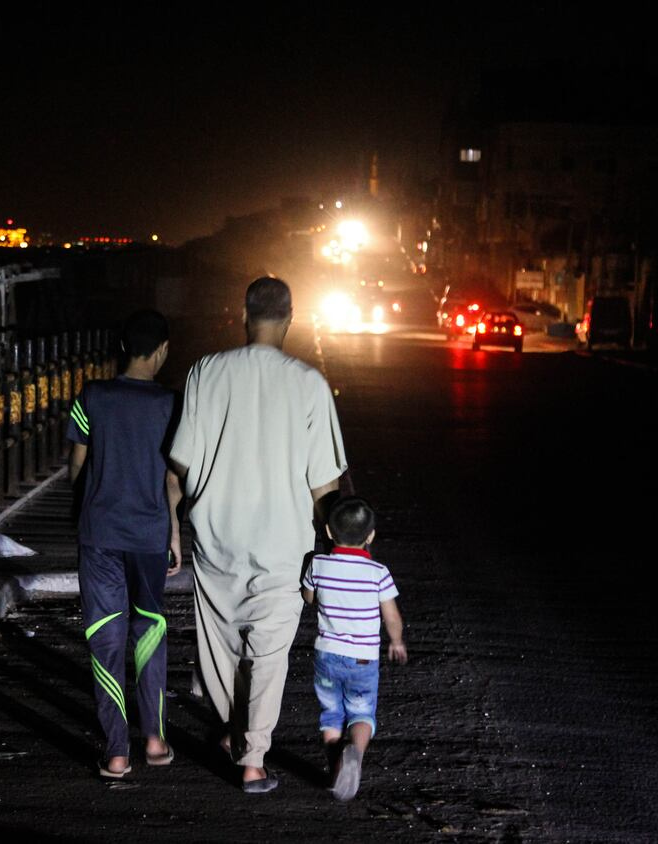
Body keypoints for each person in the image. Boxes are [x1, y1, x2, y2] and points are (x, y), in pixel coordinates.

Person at [168, 276, 348, 793]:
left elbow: (179, 464)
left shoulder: (205, 371)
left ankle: (234, 731)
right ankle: (252, 758)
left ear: (243, 315)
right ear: (291, 319)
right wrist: (336, 549)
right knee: (267, 653)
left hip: (215, 536)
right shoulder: (309, 383)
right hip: (283, 543)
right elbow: (324, 484)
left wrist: (173, 525)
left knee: (220, 644)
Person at [65, 309, 180, 778]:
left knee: (105, 636)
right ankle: (154, 739)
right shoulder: (172, 405)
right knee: (149, 630)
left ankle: (117, 750)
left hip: (100, 534)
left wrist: (85, 511)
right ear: (162, 350)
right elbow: (173, 478)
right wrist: (175, 532)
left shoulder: (91, 396)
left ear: (121, 347)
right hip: (150, 536)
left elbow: (76, 466)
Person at [300, 496, 407, 802]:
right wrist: (396, 641)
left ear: (328, 532)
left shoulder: (318, 564)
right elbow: (391, 616)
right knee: (361, 712)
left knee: (331, 713)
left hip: (327, 655)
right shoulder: (378, 572)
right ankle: (355, 753)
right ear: (370, 536)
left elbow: (309, 598)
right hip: (363, 658)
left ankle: (335, 767)